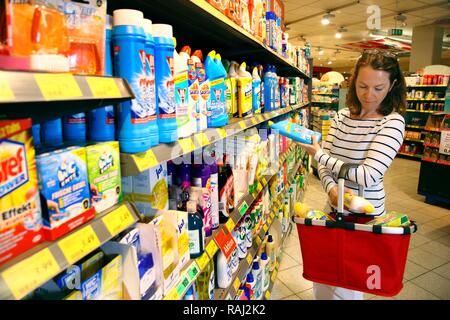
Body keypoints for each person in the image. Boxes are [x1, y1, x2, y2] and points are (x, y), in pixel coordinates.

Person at [296, 49, 407, 300]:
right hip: (334, 206)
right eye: (362, 86)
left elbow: (368, 175)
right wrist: (332, 189)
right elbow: (325, 166)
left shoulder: (392, 122)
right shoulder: (341, 116)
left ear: (393, 85)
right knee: (323, 276)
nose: (369, 95)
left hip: (365, 216)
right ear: (353, 81)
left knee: (349, 284)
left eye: (379, 88)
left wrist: (319, 154)